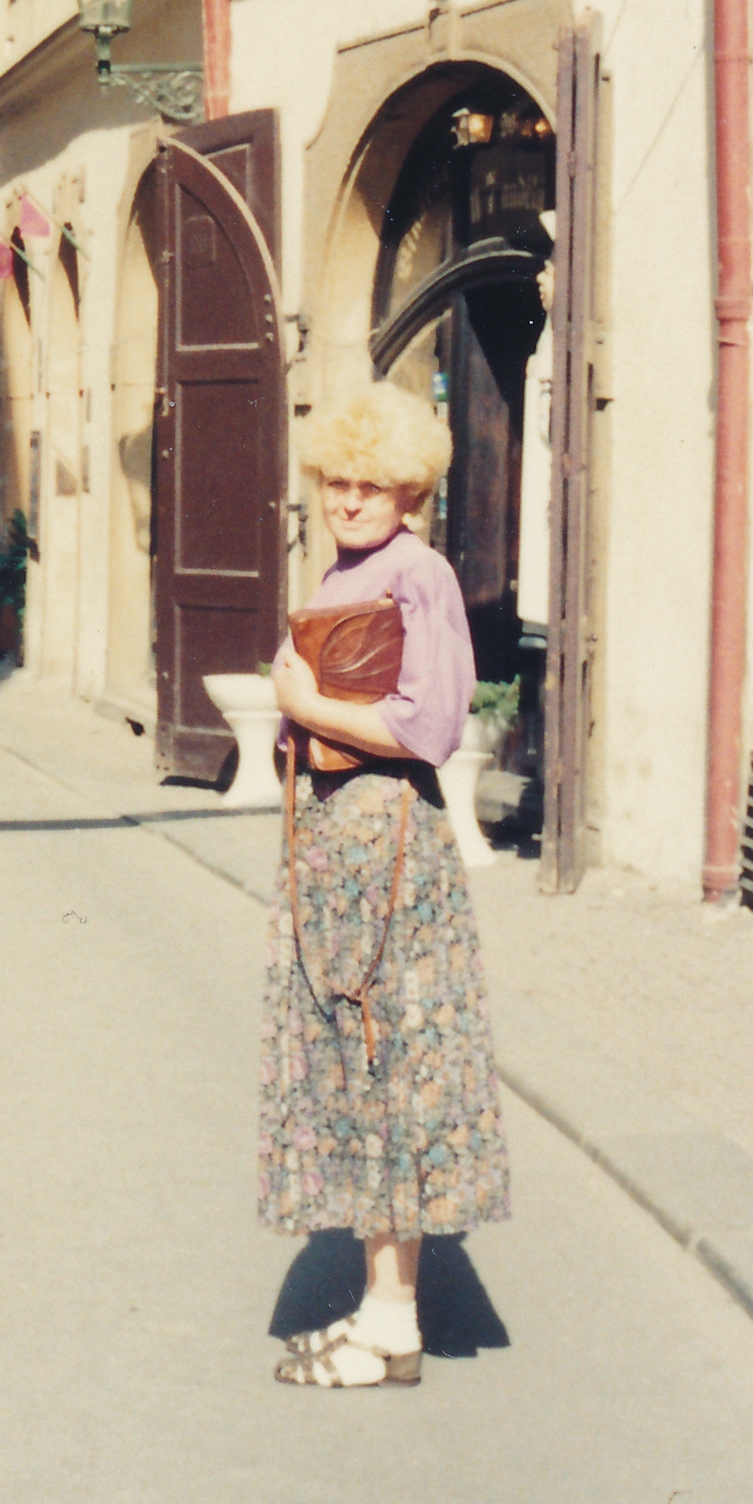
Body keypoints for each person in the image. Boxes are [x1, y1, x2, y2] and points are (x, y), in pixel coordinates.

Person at [259, 384, 509, 1390]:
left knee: (386, 1065)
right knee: (358, 1071)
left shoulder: (419, 572)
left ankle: (392, 1321)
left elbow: (428, 726)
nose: (350, 499)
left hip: (390, 848)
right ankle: (382, 1308)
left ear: (409, 489)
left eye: (371, 484)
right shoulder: (344, 571)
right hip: (336, 849)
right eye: (336, 481)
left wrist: (304, 700)